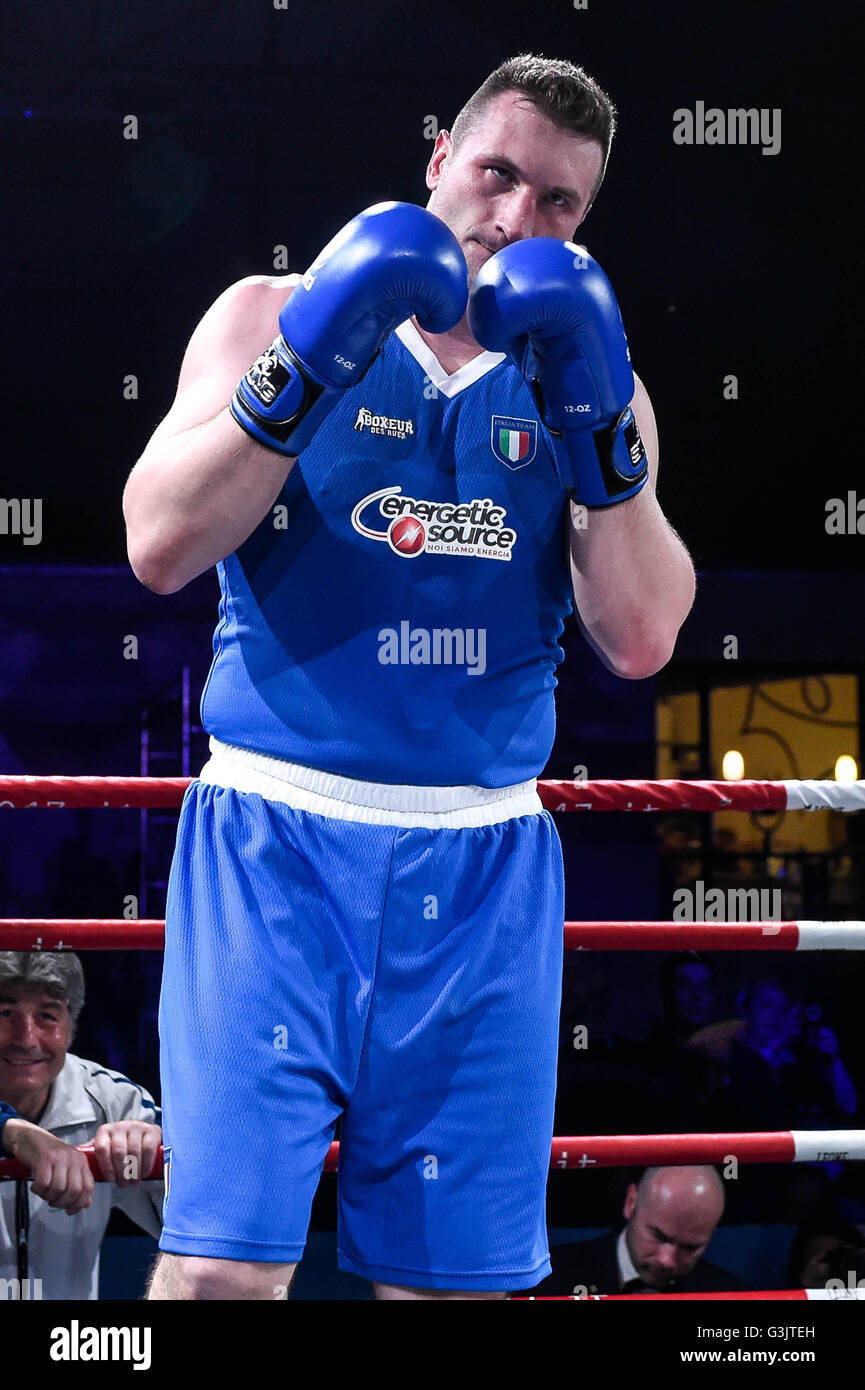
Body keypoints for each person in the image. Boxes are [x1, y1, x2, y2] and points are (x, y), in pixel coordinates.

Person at [123, 53, 696, 1301]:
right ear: (438, 158)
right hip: (273, 847)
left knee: (449, 1290)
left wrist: (602, 437)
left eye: (559, 205)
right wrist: (308, 362)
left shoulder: (597, 385)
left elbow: (643, 637)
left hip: (482, 866)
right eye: (498, 175)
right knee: (220, 1276)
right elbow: (158, 545)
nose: (515, 222)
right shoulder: (268, 311)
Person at [0, 952, 163, 1300]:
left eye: (47, 1015)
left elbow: (208, 1214)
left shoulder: (112, 1100)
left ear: (70, 1027)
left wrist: (154, 1153)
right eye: (5, 1013)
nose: (26, 1039)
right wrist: (12, 1132)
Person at [538, 1165, 744, 1296]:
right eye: (658, 1236)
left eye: (690, 1247)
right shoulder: (548, 1280)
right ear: (630, 1203)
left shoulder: (731, 1294)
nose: (667, 1260)